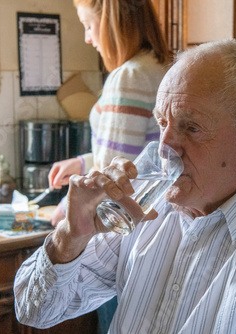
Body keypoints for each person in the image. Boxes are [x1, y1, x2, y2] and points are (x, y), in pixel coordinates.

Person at [14, 40, 236, 333]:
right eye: (162, 123)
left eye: (191, 127)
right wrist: (70, 237)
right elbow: (34, 311)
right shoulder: (143, 205)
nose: (164, 147)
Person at [47, 0, 171, 226]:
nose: (87, 38)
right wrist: (83, 163)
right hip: (161, 215)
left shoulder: (129, 77)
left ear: (111, 24)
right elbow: (140, 155)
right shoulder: (164, 68)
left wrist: (64, 210)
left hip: (126, 219)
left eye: (88, 25)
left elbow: (109, 176)